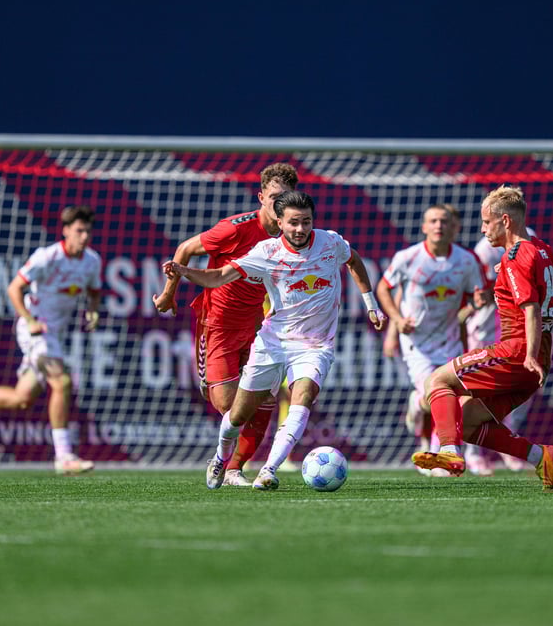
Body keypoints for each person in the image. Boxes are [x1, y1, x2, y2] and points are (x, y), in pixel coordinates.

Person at [162, 191, 386, 491]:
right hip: (273, 343)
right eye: (293, 222)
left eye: (306, 222)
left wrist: (370, 303)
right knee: (237, 415)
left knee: (302, 397)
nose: (300, 229)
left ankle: (268, 469)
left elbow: (354, 260)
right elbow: (218, 277)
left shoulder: (331, 242)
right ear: (279, 222)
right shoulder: (266, 253)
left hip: (315, 345)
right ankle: (220, 457)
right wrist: (183, 271)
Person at [412, 185, 553, 492]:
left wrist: (527, 353)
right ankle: (542, 457)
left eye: (487, 222)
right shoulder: (540, 249)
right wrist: (515, 272)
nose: (483, 229)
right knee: (470, 422)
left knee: (437, 382)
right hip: (540, 357)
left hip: (517, 351)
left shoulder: (516, 256)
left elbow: (531, 308)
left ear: (506, 221)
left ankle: (448, 454)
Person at [153, 163, 298, 486]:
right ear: (261, 197)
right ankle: (221, 445)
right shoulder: (234, 229)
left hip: (256, 325)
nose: (278, 206)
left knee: (266, 400)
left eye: (284, 199)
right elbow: (186, 250)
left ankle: (234, 468)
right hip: (217, 323)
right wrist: (167, 295)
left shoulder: (293, 234)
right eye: (273, 197)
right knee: (228, 404)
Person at [0, 205, 102, 475]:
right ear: (66, 231)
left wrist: (92, 310)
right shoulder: (47, 257)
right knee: (62, 382)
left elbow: (94, 291)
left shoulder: (92, 261)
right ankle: (64, 456)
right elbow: (14, 288)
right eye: (79, 231)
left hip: (55, 335)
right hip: (33, 329)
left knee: (22, 398)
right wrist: (30, 320)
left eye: (87, 231)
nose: (84, 237)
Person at [376, 205, 484, 477]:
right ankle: (437, 448)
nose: (439, 225)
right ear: (424, 227)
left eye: (444, 221)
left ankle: (436, 450)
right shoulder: (408, 257)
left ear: (454, 227)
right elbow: (383, 288)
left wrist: (475, 304)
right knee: (435, 394)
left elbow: (476, 296)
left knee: (453, 397)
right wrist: (397, 320)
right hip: (417, 343)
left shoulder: (466, 261)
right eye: (433, 221)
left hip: (450, 341)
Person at [461, 226, 538, 473]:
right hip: (485, 329)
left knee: (519, 387)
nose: (485, 227)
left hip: (514, 328)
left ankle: (509, 447)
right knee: (478, 389)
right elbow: (473, 294)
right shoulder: (484, 251)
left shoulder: (529, 242)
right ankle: (473, 453)